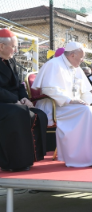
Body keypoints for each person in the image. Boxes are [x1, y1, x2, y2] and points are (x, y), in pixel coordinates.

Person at [32, 42, 92, 168]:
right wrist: (69, 100)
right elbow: (48, 89)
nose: (82, 60)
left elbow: (85, 90)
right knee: (87, 112)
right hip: (56, 106)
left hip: (74, 106)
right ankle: (91, 157)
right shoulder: (53, 64)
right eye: (81, 57)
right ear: (72, 55)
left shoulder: (77, 68)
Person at [0, 28, 48, 172]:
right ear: (1, 46)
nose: (15, 50)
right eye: (13, 47)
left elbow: (19, 84)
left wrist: (24, 98)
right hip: (4, 103)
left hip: (12, 102)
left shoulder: (11, 60)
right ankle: (13, 162)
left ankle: (31, 158)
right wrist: (15, 100)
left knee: (39, 114)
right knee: (18, 112)